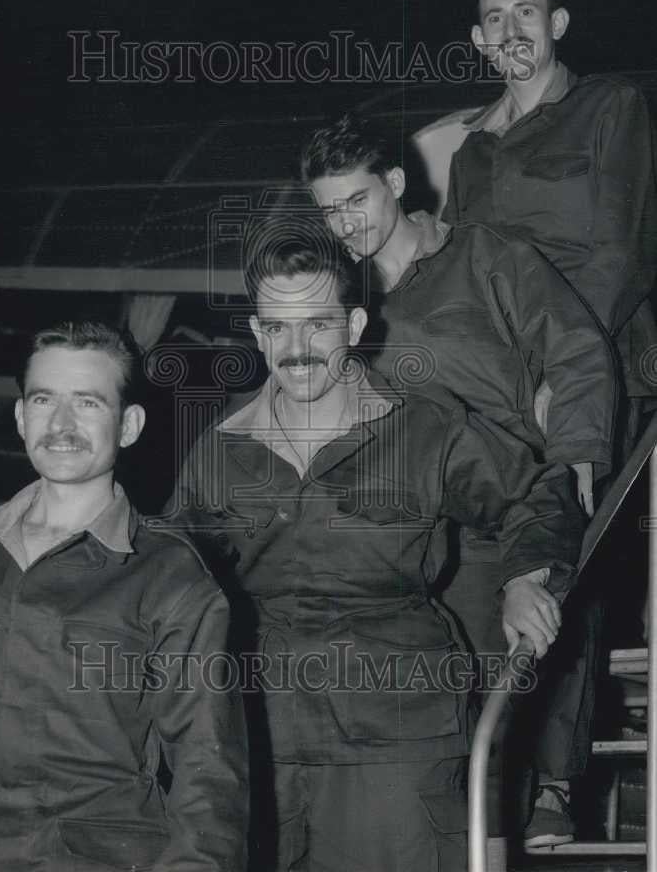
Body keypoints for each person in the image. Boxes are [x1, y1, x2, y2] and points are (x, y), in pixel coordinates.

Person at [164, 228, 583, 872]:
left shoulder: (422, 426)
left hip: (398, 732)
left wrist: (526, 575)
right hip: (258, 733)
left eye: (318, 325)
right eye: (278, 328)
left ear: (354, 325)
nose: (298, 350)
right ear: (256, 333)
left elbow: (535, 492)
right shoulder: (220, 451)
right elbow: (168, 579)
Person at [300, 112, 618, 846]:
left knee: (505, 690)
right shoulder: (343, 304)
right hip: (410, 521)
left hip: (505, 507)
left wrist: (574, 460)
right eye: (330, 210)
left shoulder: (488, 258)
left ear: (397, 184)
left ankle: (539, 793)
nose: (347, 223)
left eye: (358, 200)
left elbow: (576, 354)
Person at [0, 321, 248, 872]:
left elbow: (208, 771)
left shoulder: (170, 576)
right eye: (44, 399)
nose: (62, 424)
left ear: (129, 425)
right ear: (22, 416)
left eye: (89, 403)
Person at [446, 0, 657, 458]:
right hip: (503, 387)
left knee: (593, 532)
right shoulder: (468, 154)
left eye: (526, 12)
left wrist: (566, 367)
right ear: (480, 39)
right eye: (496, 18)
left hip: (600, 370)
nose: (512, 30)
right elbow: (457, 276)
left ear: (556, 24)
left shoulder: (611, 106)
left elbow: (621, 253)